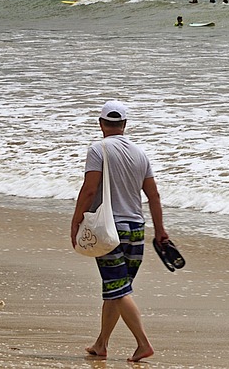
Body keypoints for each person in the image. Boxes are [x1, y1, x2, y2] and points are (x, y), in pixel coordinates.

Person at [71, 101, 167, 363]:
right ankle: (101, 344)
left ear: (101, 124)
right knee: (117, 288)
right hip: (136, 229)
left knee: (119, 290)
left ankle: (143, 343)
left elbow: (90, 189)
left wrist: (76, 221)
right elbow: (153, 195)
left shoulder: (98, 149)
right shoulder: (140, 153)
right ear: (125, 125)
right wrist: (160, 230)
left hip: (110, 229)